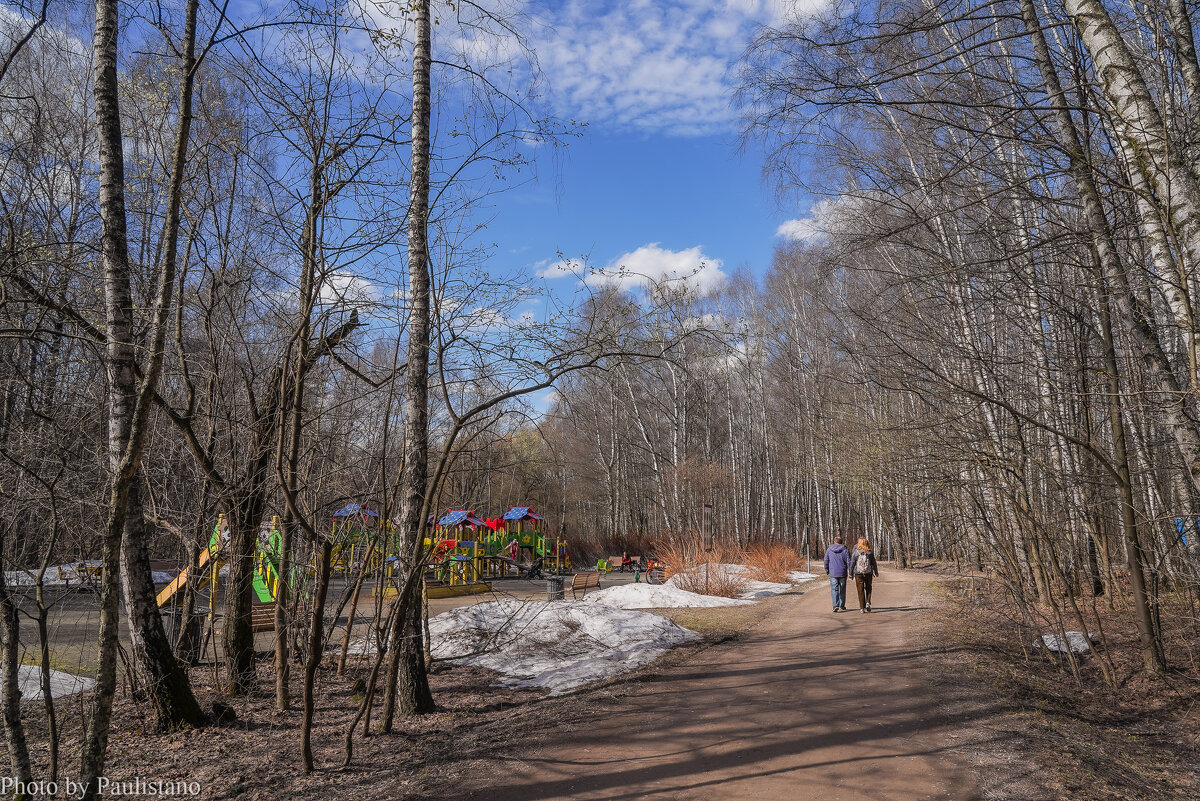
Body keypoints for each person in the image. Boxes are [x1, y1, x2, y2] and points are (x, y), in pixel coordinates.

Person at [823, 535, 852, 612]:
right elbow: (849, 561)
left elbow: (826, 560)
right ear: (841, 542)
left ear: (834, 542)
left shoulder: (829, 550)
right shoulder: (845, 550)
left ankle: (835, 605)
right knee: (842, 589)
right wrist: (850, 571)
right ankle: (842, 605)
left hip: (833, 572)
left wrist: (826, 569)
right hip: (842, 572)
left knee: (834, 589)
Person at [851, 537, 880, 613]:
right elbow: (874, 563)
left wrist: (850, 573)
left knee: (860, 590)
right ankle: (868, 602)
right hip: (868, 573)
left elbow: (852, 564)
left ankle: (861, 608)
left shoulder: (855, 553)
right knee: (868, 588)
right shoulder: (869, 553)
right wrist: (876, 572)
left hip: (858, 573)